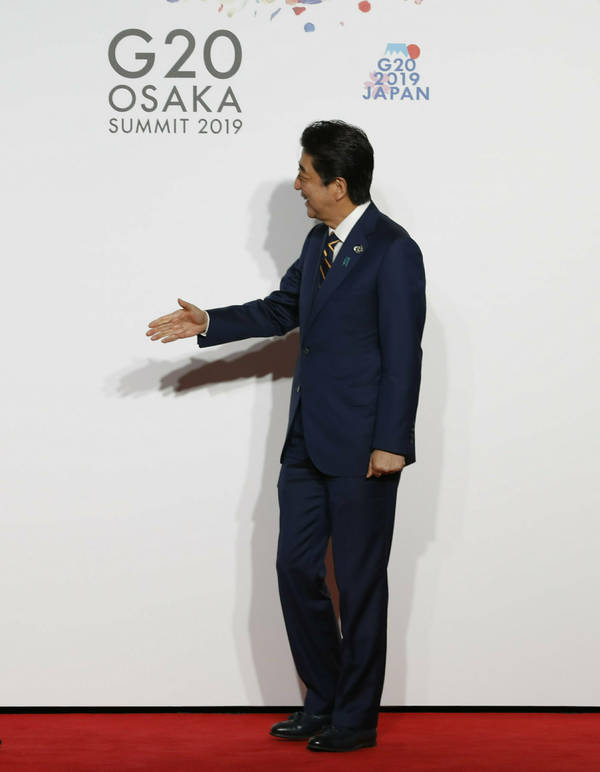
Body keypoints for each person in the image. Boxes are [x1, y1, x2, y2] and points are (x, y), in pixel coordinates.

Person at [147, 120, 425, 753]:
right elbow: (282, 310)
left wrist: (393, 441)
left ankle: (354, 721)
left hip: (364, 447)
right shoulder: (316, 241)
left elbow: (403, 355)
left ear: (339, 184)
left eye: (305, 174)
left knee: (357, 584)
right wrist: (208, 322)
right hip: (305, 442)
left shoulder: (394, 250)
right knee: (295, 569)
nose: (298, 185)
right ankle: (322, 700)